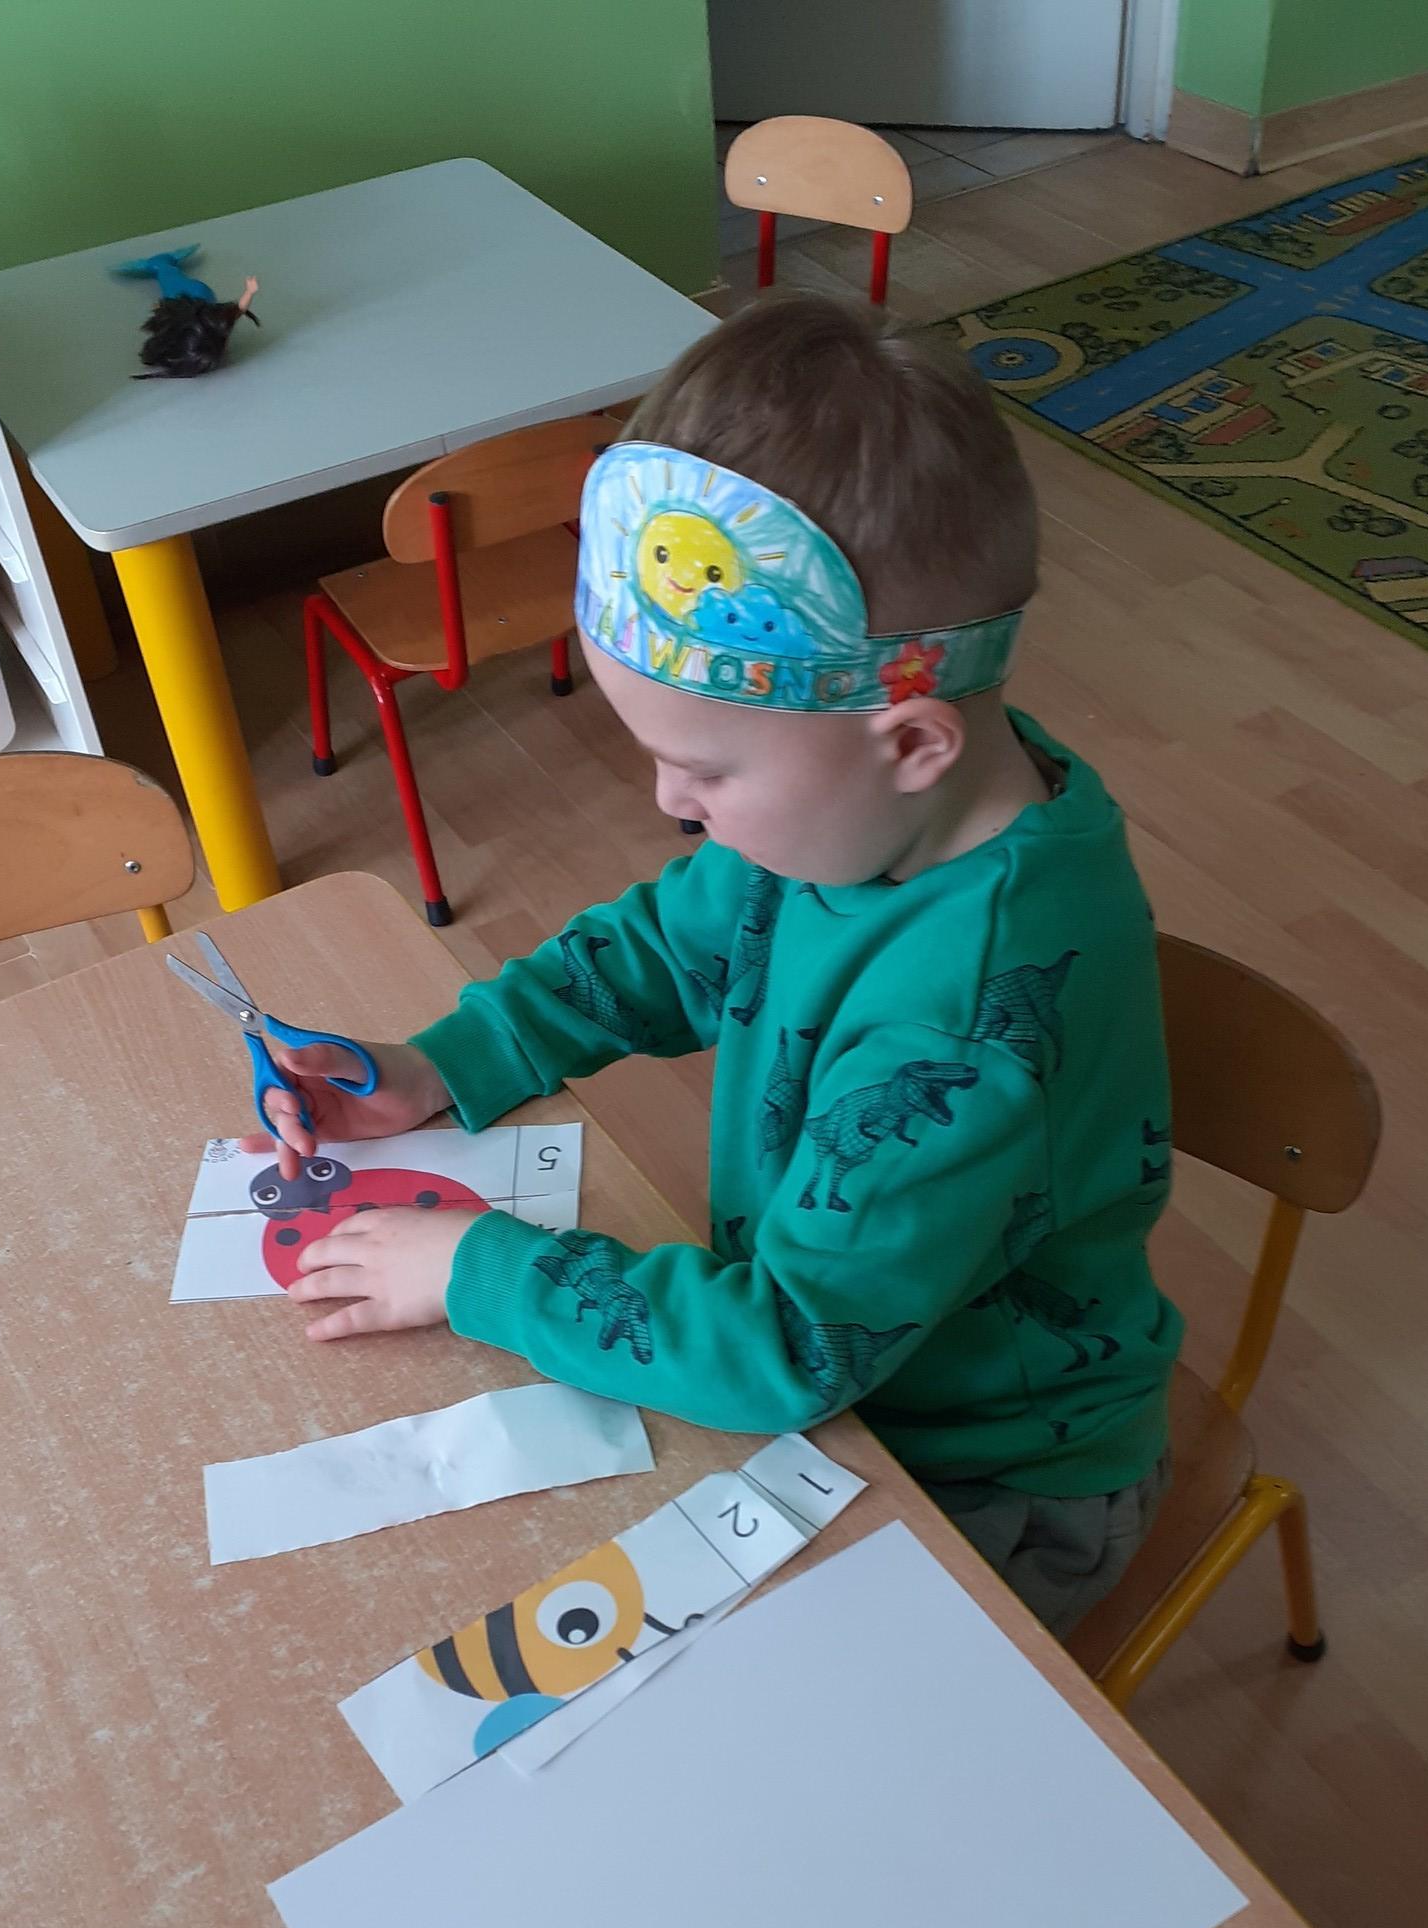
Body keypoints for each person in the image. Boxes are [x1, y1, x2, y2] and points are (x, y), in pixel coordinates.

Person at [250, 294, 1182, 1635]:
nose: (669, 804)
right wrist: (442, 1066)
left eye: (704, 769)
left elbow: (787, 1348)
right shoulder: (862, 810)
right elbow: (661, 948)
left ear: (911, 743)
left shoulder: (963, 1030)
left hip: (988, 1475)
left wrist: (478, 1275)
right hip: (832, 1365)